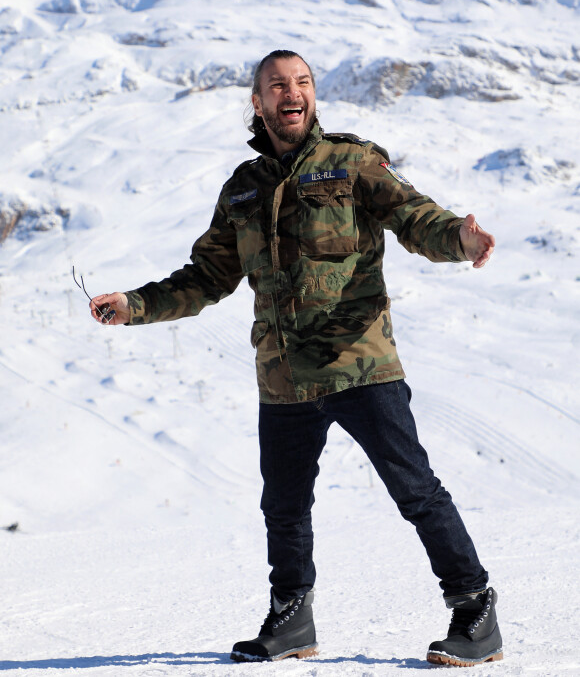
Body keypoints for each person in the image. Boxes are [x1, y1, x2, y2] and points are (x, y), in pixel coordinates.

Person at [90, 49, 503, 667]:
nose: (292, 93)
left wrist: (461, 239)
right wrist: (136, 305)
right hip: (282, 375)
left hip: (361, 365)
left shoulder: (351, 161)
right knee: (283, 507)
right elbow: (207, 276)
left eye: (302, 82)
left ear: (313, 96)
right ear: (257, 102)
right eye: (278, 85)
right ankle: (291, 618)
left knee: (415, 491)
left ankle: (474, 607)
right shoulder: (243, 189)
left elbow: (415, 216)